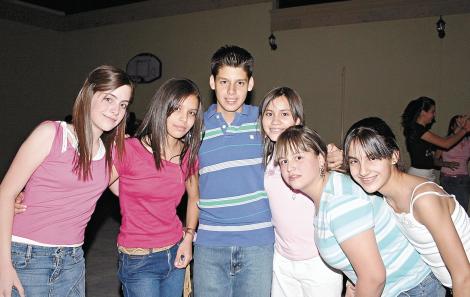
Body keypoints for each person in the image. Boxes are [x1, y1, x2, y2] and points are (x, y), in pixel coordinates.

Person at [0, 65, 134, 297]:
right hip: (26, 255)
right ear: (89, 94)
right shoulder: (52, 134)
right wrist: (3, 266)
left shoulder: (107, 155)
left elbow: (137, 195)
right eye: (109, 99)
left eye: (123, 105)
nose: (116, 110)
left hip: (73, 260)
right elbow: (5, 193)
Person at [275, 125, 442, 297]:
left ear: (320, 159)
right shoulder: (330, 189)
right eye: (283, 161)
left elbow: (373, 278)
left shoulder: (339, 201)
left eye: (298, 157)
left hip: (409, 289)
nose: (290, 167)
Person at [344, 117, 470, 297]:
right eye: (354, 161)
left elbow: (464, 276)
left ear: (394, 156)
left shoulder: (423, 200)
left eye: (372, 158)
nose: (363, 171)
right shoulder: (383, 194)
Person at [107, 78, 202, 297]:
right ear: (162, 107)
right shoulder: (129, 149)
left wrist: (188, 238)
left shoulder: (188, 155)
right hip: (139, 259)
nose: (184, 119)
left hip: (175, 251)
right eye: (177, 109)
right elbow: (92, 185)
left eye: (191, 113)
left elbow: (195, 197)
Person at [193, 45, 275, 297]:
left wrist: (331, 157)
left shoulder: (266, 121)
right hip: (209, 244)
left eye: (239, 83)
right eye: (224, 82)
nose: (231, 91)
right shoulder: (195, 126)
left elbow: (300, 148)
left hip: (258, 244)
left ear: (250, 84)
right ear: (212, 82)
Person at [259, 87, 343, 297]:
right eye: (269, 114)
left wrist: (339, 158)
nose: (275, 120)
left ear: (297, 120)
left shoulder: (312, 156)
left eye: (284, 114)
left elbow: (337, 171)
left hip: (320, 262)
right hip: (282, 261)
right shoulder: (267, 159)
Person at [401, 96, 469, 181]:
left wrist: (459, 129)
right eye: (432, 112)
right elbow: (446, 144)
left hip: (427, 173)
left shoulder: (420, 130)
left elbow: (443, 142)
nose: (434, 115)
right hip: (419, 174)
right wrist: (465, 129)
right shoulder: (417, 129)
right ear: (423, 112)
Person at [434, 115, 470, 211]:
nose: (461, 126)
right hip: (447, 178)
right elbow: (434, 160)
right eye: (458, 124)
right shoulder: (445, 141)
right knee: (447, 210)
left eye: (463, 124)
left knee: (462, 209)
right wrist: (447, 164)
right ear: (452, 127)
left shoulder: (468, 142)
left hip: (462, 179)